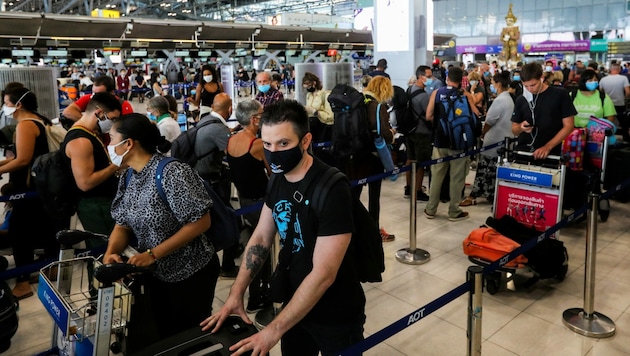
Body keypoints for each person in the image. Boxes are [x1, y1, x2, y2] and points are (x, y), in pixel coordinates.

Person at [200, 100, 365, 356]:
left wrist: (273, 330)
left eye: (283, 143)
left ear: (306, 140)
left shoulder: (332, 188)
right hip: (294, 303)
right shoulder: (278, 178)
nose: (273, 152)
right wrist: (237, 292)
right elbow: (262, 237)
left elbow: (324, 274)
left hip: (336, 312)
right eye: (267, 144)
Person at [103, 113, 220, 339]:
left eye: (111, 139)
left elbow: (201, 221)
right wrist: (111, 253)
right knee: (164, 333)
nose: (108, 145)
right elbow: (122, 223)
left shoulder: (171, 173)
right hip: (155, 274)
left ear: (129, 143)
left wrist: (153, 254)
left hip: (190, 271)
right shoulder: (129, 176)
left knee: (190, 336)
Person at [1, 88, 61, 299]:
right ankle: (52, 269)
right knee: (46, 227)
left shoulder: (26, 125)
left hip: (27, 188)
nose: (4, 106)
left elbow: (23, 159)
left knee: (20, 234)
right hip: (41, 185)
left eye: (6, 101)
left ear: (18, 104)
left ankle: (23, 283)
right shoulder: (40, 120)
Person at [225, 99, 272, 313]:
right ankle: (258, 295)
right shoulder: (257, 144)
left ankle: (256, 294)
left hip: (243, 201)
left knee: (252, 247)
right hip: (260, 203)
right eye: (262, 114)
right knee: (262, 249)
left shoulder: (231, 141)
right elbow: (273, 172)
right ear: (255, 119)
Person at [424, 67, 480, 221]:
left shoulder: (437, 93)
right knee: (457, 178)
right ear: (461, 80)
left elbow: (428, 116)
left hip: (440, 141)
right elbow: (476, 115)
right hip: (460, 143)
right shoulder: (465, 95)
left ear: (447, 78)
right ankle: (454, 211)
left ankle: (431, 209)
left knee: (437, 176)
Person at [345, 76, 396, 241]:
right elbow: (382, 132)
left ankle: (352, 228)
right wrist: (392, 134)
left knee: (355, 193)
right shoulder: (378, 106)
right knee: (375, 195)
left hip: (355, 153)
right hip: (373, 157)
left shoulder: (359, 102)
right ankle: (373, 230)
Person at [63, 93, 122, 236]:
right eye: (112, 119)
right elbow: (85, 183)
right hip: (96, 206)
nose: (112, 124)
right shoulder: (81, 141)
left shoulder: (91, 134)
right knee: (105, 248)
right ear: (99, 113)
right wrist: (116, 165)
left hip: (104, 202)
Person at [460, 71, 514, 206]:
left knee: (485, 169)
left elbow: (490, 121)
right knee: (493, 169)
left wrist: (482, 133)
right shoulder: (509, 99)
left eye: (493, 83)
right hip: (504, 140)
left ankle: (474, 195)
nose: (491, 86)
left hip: (494, 141)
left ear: (499, 84)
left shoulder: (500, 100)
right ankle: (491, 194)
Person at [511, 62, 576, 160]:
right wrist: (521, 127)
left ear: (541, 78)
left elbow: (569, 126)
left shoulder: (560, 95)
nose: (529, 89)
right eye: (526, 86)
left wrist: (548, 147)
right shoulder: (521, 99)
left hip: (550, 154)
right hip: (523, 152)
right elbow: (514, 130)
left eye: (533, 85)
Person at [403, 65, 432, 201]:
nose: (431, 78)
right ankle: (418, 190)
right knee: (421, 163)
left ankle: (408, 187)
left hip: (409, 130)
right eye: (429, 76)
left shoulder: (409, 90)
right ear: (421, 77)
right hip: (422, 132)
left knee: (410, 159)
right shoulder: (424, 96)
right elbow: (429, 116)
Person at [62, 76, 133, 128]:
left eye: (99, 94)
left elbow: (129, 129)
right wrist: (90, 124)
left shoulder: (124, 106)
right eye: (93, 92)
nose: (94, 96)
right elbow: (68, 112)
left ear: (111, 93)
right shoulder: (90, 98)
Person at [598, 62, 630, 140]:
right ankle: (626, 138)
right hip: (620, 103)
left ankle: (604, 138)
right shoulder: (623, 78)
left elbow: (600, 92)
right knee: (623, 123)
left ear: (610, 69)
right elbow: (628, 92)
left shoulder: (603, 79)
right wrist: (625, 99)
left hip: (606, 105)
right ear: (619, 69)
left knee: (606, 123)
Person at [302, 72, 334, 145]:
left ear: (314, 83)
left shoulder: (325, 95)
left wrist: (315, 112)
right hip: (312, 128)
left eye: (309, 86)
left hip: (323, 128)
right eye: (306, 87)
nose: (308, 89)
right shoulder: (309, 96)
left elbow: (330, 116)